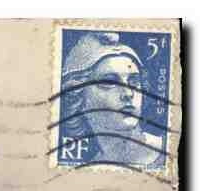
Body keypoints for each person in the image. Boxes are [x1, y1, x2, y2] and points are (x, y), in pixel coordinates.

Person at [60, 31, 165, 169]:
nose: (128, 93)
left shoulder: (168, 150)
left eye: (134, 81)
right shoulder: (88, 171)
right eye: (109, 82)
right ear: (78, 98)